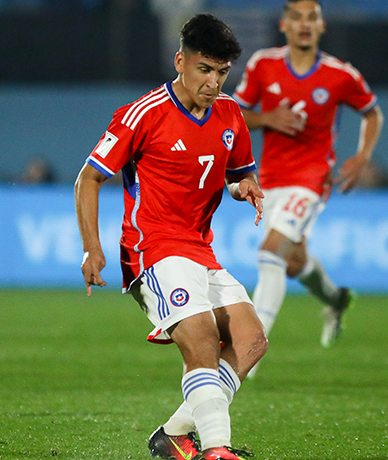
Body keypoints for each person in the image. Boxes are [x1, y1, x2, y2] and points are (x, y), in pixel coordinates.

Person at [75, 14, 268, 460]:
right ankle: (217, 449)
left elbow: (238, 175)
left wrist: (246, 188)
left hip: (200, 248)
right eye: (205, 69)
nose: (214, 82)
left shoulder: (230, 114)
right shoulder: (143, 114)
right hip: (153, 248)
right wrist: (92, 246)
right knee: (200, 338)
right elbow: (88, 178)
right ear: (180, 61)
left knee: (251, 339)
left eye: (222, 72)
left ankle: (173, 435)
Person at [232, 0, 384, 358]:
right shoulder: (263, 65)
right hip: (269, 178)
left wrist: (363, 156)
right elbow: (234, 112)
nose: (304, 24)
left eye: (311, 18)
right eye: (296, 17)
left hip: (312, 179)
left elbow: (372, 113)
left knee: (270, 254)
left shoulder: (340, 74)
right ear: (284, 24)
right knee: (294, 262)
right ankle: (336, 299)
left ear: (322, 26)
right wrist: (267, 118)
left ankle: (249, 351)